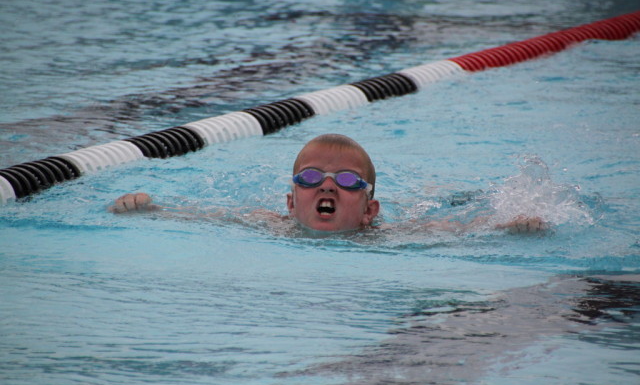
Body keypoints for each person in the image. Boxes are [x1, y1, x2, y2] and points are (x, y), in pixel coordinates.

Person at [109, 134, 546, 234]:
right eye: (312, 177)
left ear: (371, 211)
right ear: (290, 201)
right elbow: (205, 217)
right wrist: (151, 208)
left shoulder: (391, 237)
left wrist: (510, 224)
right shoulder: (269, 225)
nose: (328, 187)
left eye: (349, 181)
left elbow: (461, 229)